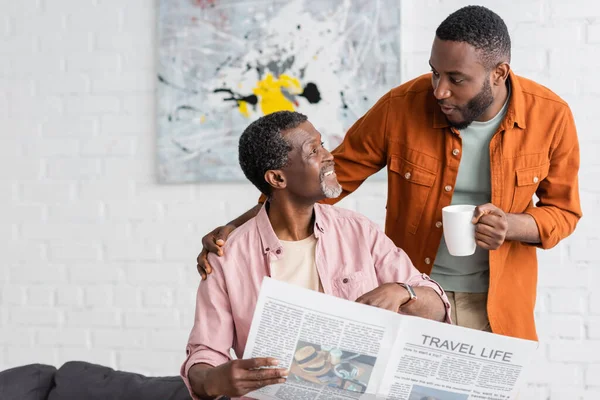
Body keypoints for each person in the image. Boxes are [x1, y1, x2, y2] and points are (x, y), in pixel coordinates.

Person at [196, 5, 582, 341]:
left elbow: (563, 213)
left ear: (499, 73)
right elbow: (334, 177)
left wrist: (511, 226)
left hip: (497, 307)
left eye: (456, 79)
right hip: (413, 300)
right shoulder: (401, 106)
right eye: (435, 73)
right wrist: (238, 227)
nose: (439, 91)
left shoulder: (550, 115)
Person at [181, 111, 450, 400]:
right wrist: (213, 380)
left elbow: (438, 308)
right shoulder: (227, 257)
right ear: (277, 178)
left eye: (322, 144)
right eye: (314, 150)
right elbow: (204, 353)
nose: (329, 156)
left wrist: (403, 292)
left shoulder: (358, 231)